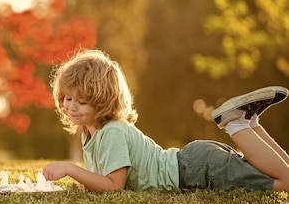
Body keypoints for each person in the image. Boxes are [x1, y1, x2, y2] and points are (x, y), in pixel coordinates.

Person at [41, 49, 289, 192]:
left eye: (81, 102)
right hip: (194, 165)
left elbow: (113, 185)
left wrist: (70, 169)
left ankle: (236, 123)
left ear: (103, 101)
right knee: (285, 176)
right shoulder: (91, 131)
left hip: (197, 171)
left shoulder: (113, 131)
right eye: (67, 98)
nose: (70, 106)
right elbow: (102, 180)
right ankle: (251, 123)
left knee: (285, 182)